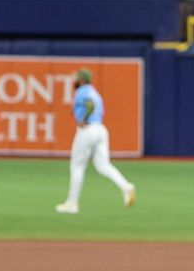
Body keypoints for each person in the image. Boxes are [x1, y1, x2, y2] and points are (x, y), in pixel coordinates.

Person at [55, 68, 136, 214]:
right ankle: (125, 186)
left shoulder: (82, 91)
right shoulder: (94, 91)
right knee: (103, 165)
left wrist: (84, 118)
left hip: (88, 130)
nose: (75, 81)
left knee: (77, 167)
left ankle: (72, 203)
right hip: (100, 129)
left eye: (77, 78)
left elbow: (90, 106)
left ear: (82, 80)